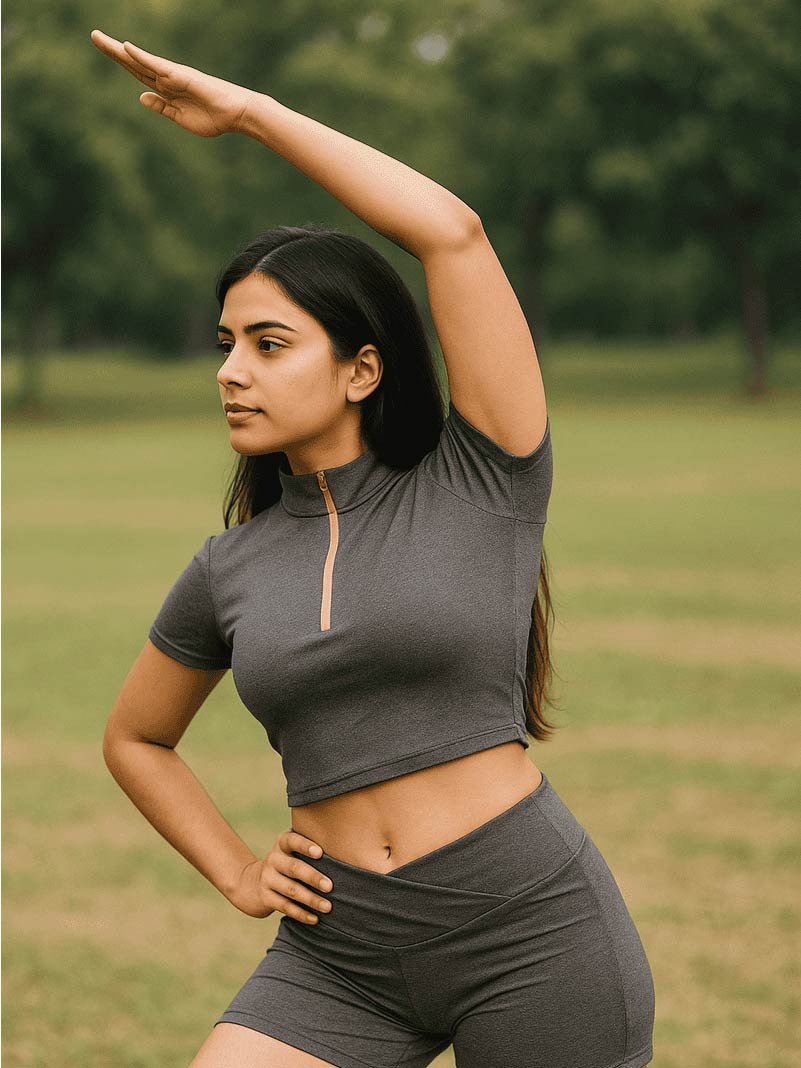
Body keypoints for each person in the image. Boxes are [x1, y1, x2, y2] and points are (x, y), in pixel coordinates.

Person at [93, 29, 655, 1068]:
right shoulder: (230, 568)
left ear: (360, 370)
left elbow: (451, 234)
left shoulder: (483, 477)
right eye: (225, 345)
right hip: (336, 954)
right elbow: (135, 741)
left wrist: (252, 113)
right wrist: (234, 870)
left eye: (269, 344)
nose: (231, 372)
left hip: (526, 930)